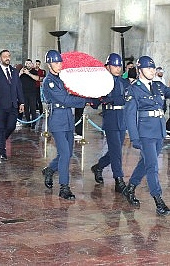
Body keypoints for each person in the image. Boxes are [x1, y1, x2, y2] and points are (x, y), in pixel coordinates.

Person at [123, 55, 170, 215]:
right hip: (145, 133)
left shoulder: (158, 86)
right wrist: (134, 138)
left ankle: (130, 188)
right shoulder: (133, 89)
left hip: (159, 131)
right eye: (149, 68)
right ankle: (158, 200)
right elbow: (129, 115)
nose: (152, 71)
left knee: (146, 163)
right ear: (140, 69)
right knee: (153, 166)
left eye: (153, 68)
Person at [41, 50, 94, 200]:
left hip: (68, 119)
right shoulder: (49, 81)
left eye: (60, 62)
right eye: (56, 63)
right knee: (64, 154)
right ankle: (64, 187)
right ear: (49, 64)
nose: (59, 65)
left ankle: (50, 170)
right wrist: (86, 101)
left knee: (68, 153)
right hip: (57, 119)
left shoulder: (62, 79)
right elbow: (64, 99)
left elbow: (72, 93)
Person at [90, 53, 129, 194]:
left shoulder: (125, 82)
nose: (118, 68)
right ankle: (119, 180)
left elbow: (126, 99)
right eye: (115, 65)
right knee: (116, 150)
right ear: (107, 67)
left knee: (115, 150)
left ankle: (99, 167)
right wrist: (94, 98)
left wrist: (113, 99)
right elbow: (95, 102)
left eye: (119, 66)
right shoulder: (102, 82)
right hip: (111, 117)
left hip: (122, 117)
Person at [0, 49, 25, 160]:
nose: (7, 58)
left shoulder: (14, 71)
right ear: (0, 58)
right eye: (5, 56)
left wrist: (22, 102)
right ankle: (2, 152)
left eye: (8, 56)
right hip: (0, 105)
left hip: (13, 105)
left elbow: (19, 87)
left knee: (11, 126)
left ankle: (0, 140)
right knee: (1, 128)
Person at [19, 59, 40, 128]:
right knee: (26, 109)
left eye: (29, 63)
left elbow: (37, 78)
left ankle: (33, 123)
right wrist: (20, 73)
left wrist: (28, 73)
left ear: (31, 64)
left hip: (32, 93)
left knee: (33, 108)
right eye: (26, 63)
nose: (27, 65)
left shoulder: (34, 71)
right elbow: (15, 79)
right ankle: (28, 122)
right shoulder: (22, 71)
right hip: (23, 93)